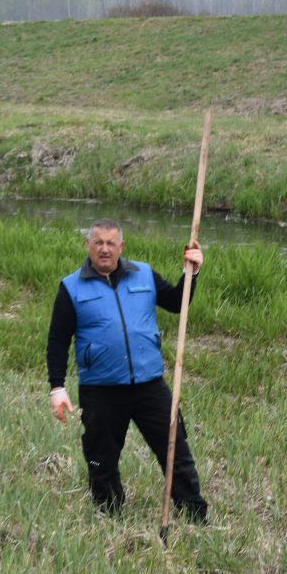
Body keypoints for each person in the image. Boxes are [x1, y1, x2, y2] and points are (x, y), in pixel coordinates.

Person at [46, 218, 209, 523]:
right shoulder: (71, 287)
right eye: (98, 242)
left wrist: (192, 272)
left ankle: (194, 514)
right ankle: (109, 516)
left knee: (176, 450)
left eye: (111, 243)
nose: (104, 249)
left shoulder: (144, 275)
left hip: (149, 385)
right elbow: (57, 339)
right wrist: (57, 387)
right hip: (101, 389)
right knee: (102, 458)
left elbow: (177, 303)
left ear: (121, 246)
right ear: (88, 246)